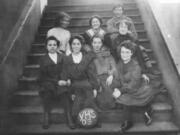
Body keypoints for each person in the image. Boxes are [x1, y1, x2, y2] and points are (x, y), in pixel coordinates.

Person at [112, 40, 159, 132]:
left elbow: (133, 85)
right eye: (122, 52)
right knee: (117, 95)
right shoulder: (119, 63)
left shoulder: (136, 66)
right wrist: (115, 87)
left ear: (131, 53)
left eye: (127, 52)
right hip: (126, 87)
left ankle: (130, 120)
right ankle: (145, 109)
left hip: (138, 89)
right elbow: (117, 78)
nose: (124, 54)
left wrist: (120, 91)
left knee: (125, 98)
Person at [61, 35, 100, 127]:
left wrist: (95, 87)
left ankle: (93, 119)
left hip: (86, 82)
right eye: (73, 44)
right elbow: (64, 73)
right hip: (74, 84)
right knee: (79, 97)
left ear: (81, 45)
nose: (76, 46)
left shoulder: (86, 57)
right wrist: (69, 87)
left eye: (78, 44)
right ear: (70, 45)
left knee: (88, 95)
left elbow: (92, 74)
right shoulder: (67, 59)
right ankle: (78, 119)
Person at [38, 36, 75, 129]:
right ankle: (46, 117)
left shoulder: (63, 57)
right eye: (50, 45)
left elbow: (66, 70)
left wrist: (65, 80)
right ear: (46, 47)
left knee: (65, 93)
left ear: (58, 46)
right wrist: (57, 82)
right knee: (47, 91)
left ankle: (69, 118)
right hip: (49, 82)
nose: (52, 47)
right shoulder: (43, 59)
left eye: (54, 45)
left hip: (61, 81)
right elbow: (42, 76)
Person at [91, 35, 117, 110]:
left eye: (99, 42)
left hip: (109, 77)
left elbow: (114, 67)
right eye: (95, 42)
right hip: (97, 79)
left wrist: (111, 75)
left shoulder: (107, 54)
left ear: (102, 44)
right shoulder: (89, 56)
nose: (97, 45)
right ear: (92, 44)